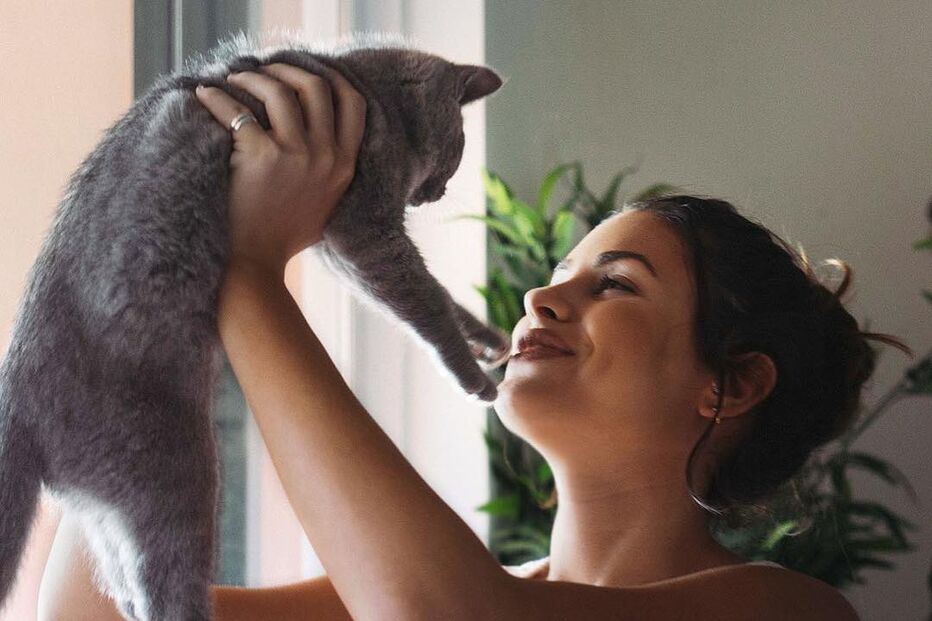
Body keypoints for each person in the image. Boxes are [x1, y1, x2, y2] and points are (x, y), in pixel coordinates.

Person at [36, 62, 904, 620]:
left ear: (733, 383)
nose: (541, 294)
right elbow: (91, 614)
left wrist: (253, 271)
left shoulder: (787, 610)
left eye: (615, 283)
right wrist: (161, 282)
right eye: (563, 269)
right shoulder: (403, 588)